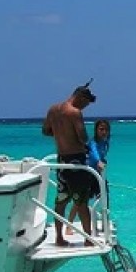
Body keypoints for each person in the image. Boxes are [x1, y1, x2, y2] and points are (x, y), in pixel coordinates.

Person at [42, 80, 97, 246]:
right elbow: (82, 137)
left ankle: (59, 237)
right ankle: (88, 239)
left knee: (61, 200)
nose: (85, 107)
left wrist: (61, 134)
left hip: (62, 162)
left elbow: (45, 131)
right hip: (76, 161)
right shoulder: (74, 112)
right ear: (80, 97)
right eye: (86, 103)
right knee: (81, 202)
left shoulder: (53, 110)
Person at [67, 119, 111, 232]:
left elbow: (101, 155)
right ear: (96, 130)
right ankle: (69, 225)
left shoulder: (105, 142)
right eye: (101, 129)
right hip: (88, 174)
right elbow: (94, 153)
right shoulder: (93, 142)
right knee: (81, 201)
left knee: (104, 196)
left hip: (98, 174)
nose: (104, 132)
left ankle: (105, 222)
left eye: (106, 129)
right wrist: (98, 161)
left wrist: (103, 160)